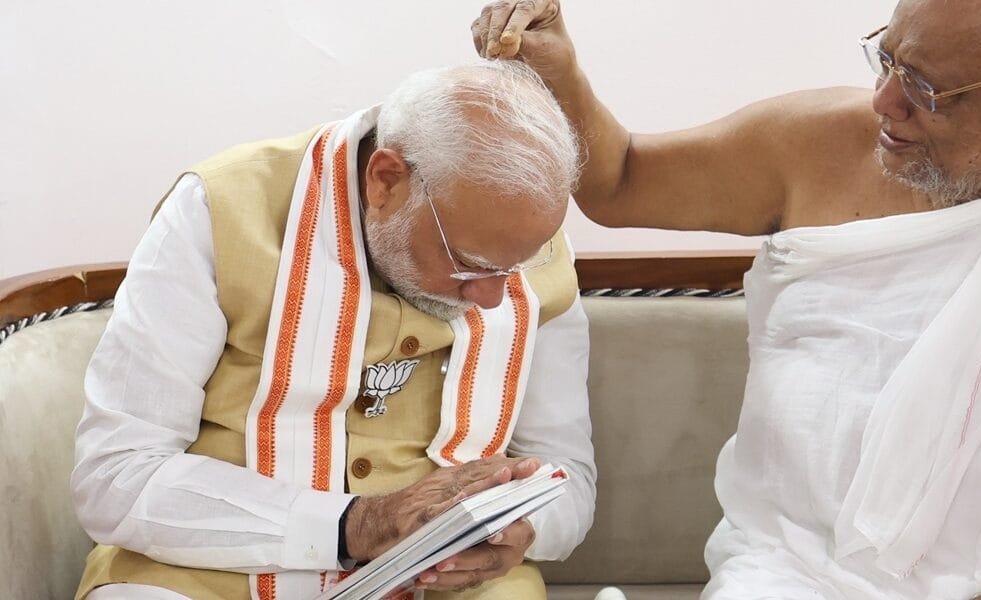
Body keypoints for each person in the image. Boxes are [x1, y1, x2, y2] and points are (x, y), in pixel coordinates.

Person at [471, 0, 981, 598]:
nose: (884, 104)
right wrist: (560, 70)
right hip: (776, 573)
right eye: (885, 59)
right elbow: (618, 184)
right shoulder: (820, 141)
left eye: (927, 88)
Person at [70, 60, 595, 600]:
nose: (491, 297)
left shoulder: (533, 256)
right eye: (467, 264)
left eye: (510, 271)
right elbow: (115, 477)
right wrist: (358, 524)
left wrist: (519, 528)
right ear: (385, 179)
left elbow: (569, 479)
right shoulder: (219, 209)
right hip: (209, 576)